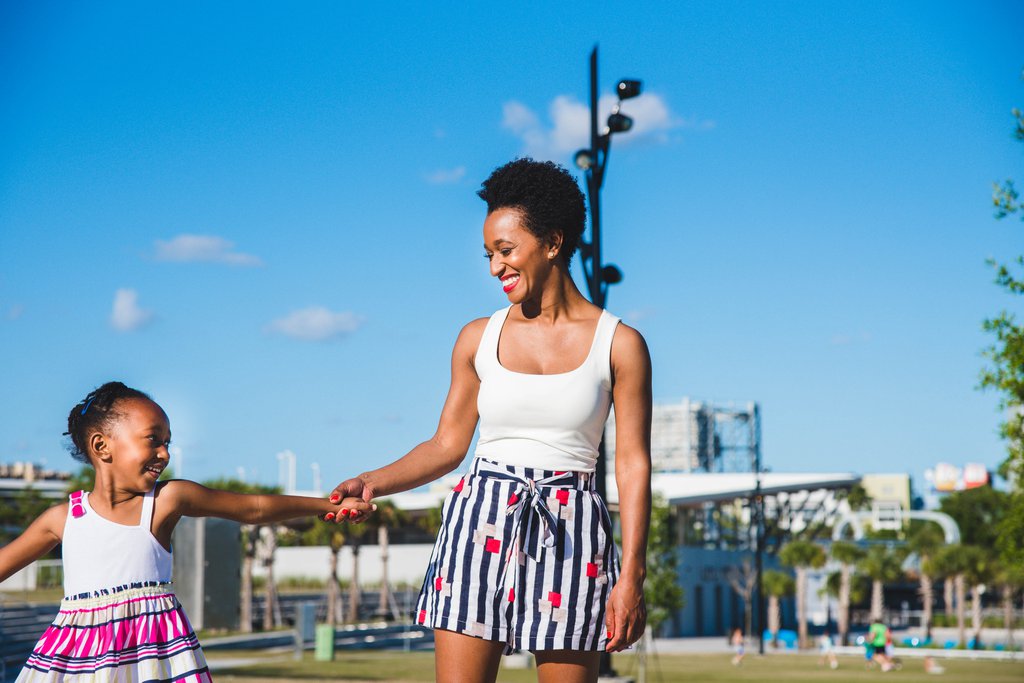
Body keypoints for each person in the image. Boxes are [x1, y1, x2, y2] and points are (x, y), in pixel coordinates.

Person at [330, 158, 653, 683]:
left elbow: (633, 465)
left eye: (505, 250)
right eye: (489, 254)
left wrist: (632, 574)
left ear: (553, 242)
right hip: (480, 521)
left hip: (573, 531)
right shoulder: (477, 338)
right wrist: (371, 482)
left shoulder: (620, 344)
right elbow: (446, 446)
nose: (494, 268)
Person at [0, 381, 371, 682]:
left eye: (167, 442)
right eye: (153, 439)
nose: (165, 453)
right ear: (102, 446)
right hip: (77, 663)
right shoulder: (61, 519)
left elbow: (253, 508)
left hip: (152, 659)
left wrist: (327, 504)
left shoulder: (165, 501)